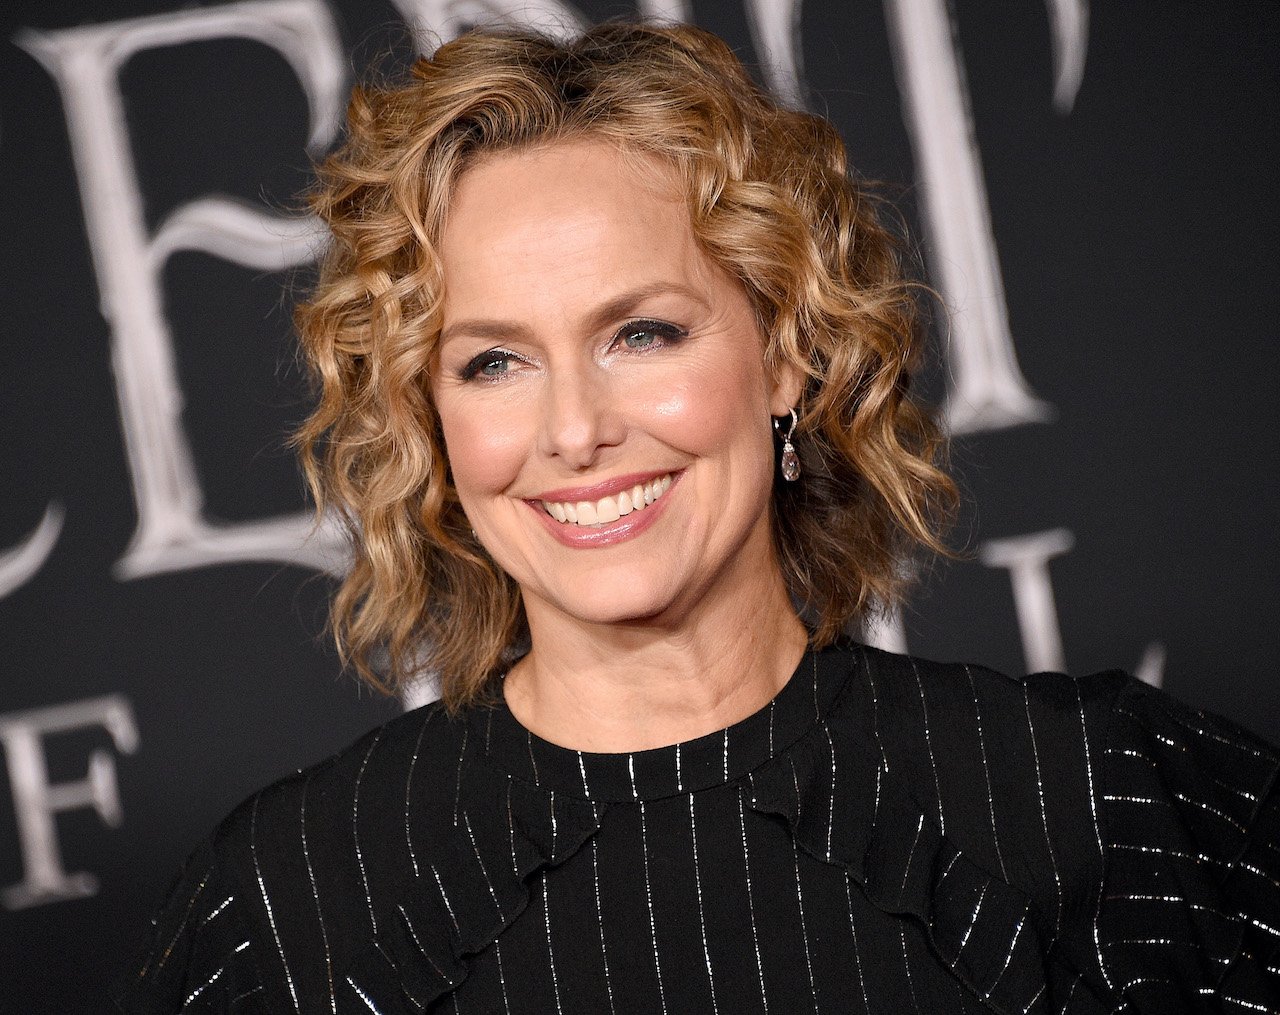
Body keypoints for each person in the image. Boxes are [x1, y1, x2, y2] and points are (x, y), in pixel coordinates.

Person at [113, 21, 1280, 1015]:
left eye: (643, 333)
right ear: (429, 419)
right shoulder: (289, 899)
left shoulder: (1102, 792)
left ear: (785, 353)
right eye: (493, 362)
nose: (573, 430)